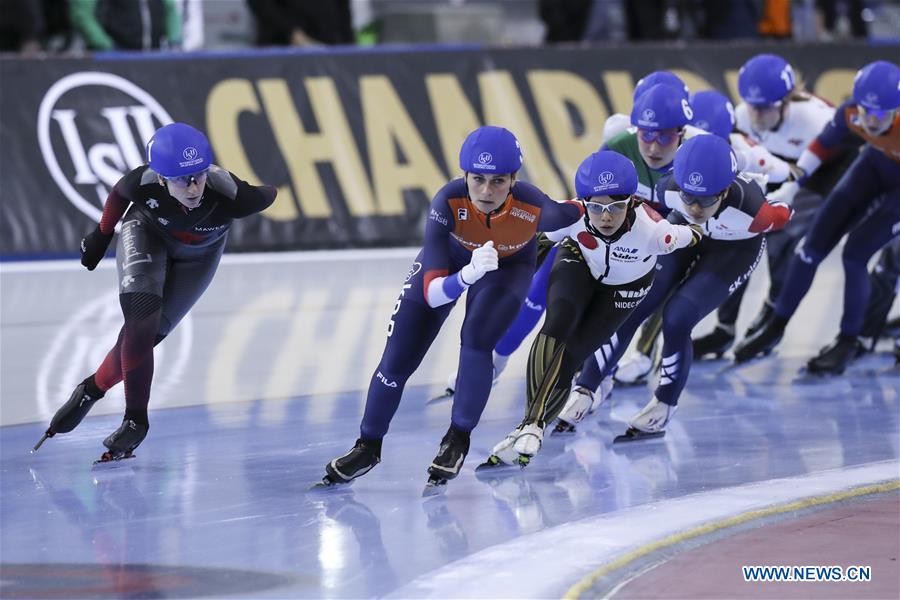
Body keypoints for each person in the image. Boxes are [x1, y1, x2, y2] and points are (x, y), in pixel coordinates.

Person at [318, 126, 583, 491]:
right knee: (397, 357)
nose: (487, 192)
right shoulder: (446, 202)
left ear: (513, 180)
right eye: (478, 180)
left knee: (476, 340)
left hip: (505, 270)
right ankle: (368, 445)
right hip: (449, 268)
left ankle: (457, 440)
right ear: (465, 176)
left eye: (498, 181)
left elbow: (579, 208)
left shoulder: (535, 206)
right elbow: (431, 294)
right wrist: (469, 273)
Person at [32, 123, 277, 461]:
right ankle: (136, 420)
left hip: (200, 256)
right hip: (146, 233)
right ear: (160, 178)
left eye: (198, 176)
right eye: (180, 179)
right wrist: (101, 236)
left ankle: (91, 390)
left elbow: (269, 192)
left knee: (144, 340)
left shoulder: (234, 195)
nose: (192, 188)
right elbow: (119, 194)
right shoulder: (143, 181)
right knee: (140, 322)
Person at [481, 150, 702, 467]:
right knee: (557, 322)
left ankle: (536, 422)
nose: (606, 216)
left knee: (572, 356)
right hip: (580, 264)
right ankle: (531, 424)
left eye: (615, 206)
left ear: (633, 202)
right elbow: (532, 251)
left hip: (626, 287)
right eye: (596, 207)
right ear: (584, 203)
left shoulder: (655, 232)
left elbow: (693, 233)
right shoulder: (570, 216)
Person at [574, 135, 793, 440]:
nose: (695, 206)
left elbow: (788, 202)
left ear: (726, 190)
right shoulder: (670, 189)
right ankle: (587, 387)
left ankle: (663, 405)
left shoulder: (756, 213)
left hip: (735, 250)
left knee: (678, 318)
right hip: (684, 233)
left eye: (705, 199)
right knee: (631, 301)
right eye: (689, 196)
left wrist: (784, 181)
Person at [734, 60, 900, 374]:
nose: (871, 120)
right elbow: (823, 145)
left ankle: (849, 340)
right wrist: (794, 186)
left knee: (855, 255)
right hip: (875, 166)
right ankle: (776, 324)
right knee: (809, 249)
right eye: (866, 110)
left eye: (880, 114)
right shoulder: (851, 113)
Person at [692, 54, 842, 358]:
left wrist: (793, 190)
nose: (756, 115)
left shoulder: (816, 119)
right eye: (752, 106)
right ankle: (725, 328)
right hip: (775, 168)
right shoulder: (741, 116)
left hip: (825, 171)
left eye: (765, 108)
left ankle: (773, 313)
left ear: (786, 101)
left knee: (783, 239)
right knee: (735, 234)